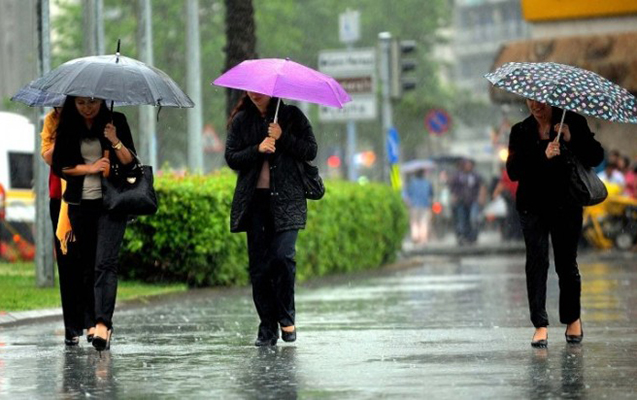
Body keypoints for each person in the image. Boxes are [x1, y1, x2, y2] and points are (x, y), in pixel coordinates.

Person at [507, 99, 603, 348]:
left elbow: (596, 156)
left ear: (551, 100)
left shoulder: (572, 122)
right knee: (536, 263)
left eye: (540, 101)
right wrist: (543, 154)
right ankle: (540, 325)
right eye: (530, 100)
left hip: (566, 204)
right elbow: (513, 171)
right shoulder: (520, 130)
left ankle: (572, 318)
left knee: (566, 263)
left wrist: (572, 139)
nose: (535, 105)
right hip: (532, 206)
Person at [225, 92, 317, 346]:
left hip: (287, 200)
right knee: (259, 267)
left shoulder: (292, 116)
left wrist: (282, 136)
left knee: (283, 257)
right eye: (250, 89)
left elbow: (310, 150)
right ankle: (267, 326)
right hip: (255, 202)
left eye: (260, 90)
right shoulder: (242, 120)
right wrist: (258, 148)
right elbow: (231, 157)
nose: (254, 94)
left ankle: (286, 317)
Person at [52, 96, 136, 352]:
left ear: (102, 101)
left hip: (111, 205)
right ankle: (90, 321)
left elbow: (130, 162)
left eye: (92, 102)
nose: (87, 108)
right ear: (73, 104)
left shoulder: (116, 121)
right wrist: (89, 169)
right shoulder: (68, 126)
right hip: (80, 206)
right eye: (80, 103)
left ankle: (102, 324)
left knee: (105, 263)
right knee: (87, 264)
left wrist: (114, 140)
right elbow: (60, 167)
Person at [40, 106, 86, 346]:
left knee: (87, 260)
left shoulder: (90, 117)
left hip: (88, 196)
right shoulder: (52, 121)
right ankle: (72, 327)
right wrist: (64, 135)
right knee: (66, 262)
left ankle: (94, 322)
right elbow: (49, 157)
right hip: (59, 199)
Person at [449, 159, 484, 244]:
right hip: (461, 201)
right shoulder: (458, 176)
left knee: (473, 218)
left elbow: (481, 185)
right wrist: (454, 196)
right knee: (462, 219)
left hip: (473, 200)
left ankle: (473, 236)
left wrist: (481, 197)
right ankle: (462, 236)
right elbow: (452, 187)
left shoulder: (475, 176)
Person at [404, 170, 434, 244]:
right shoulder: (427, 183)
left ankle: (415, 237)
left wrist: (408, 202)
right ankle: (423, 238)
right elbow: (431, 194)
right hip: (425, 205)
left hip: (414, 205)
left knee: (414, 222)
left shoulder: (412, 183)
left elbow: (407, 193)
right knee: (424, 222)